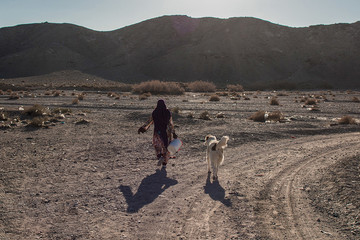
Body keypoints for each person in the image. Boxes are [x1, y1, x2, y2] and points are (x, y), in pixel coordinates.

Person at [138, 100, 177, 166]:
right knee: (166, 146)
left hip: (157, 131)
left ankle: (160, 156)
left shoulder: (155, 112)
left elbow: (149, 121)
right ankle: (165, 162)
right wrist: (173, 132)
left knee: (157, 145)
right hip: (166, 132)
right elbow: (170, 123)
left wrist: (143, 128)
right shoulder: (168, 112)